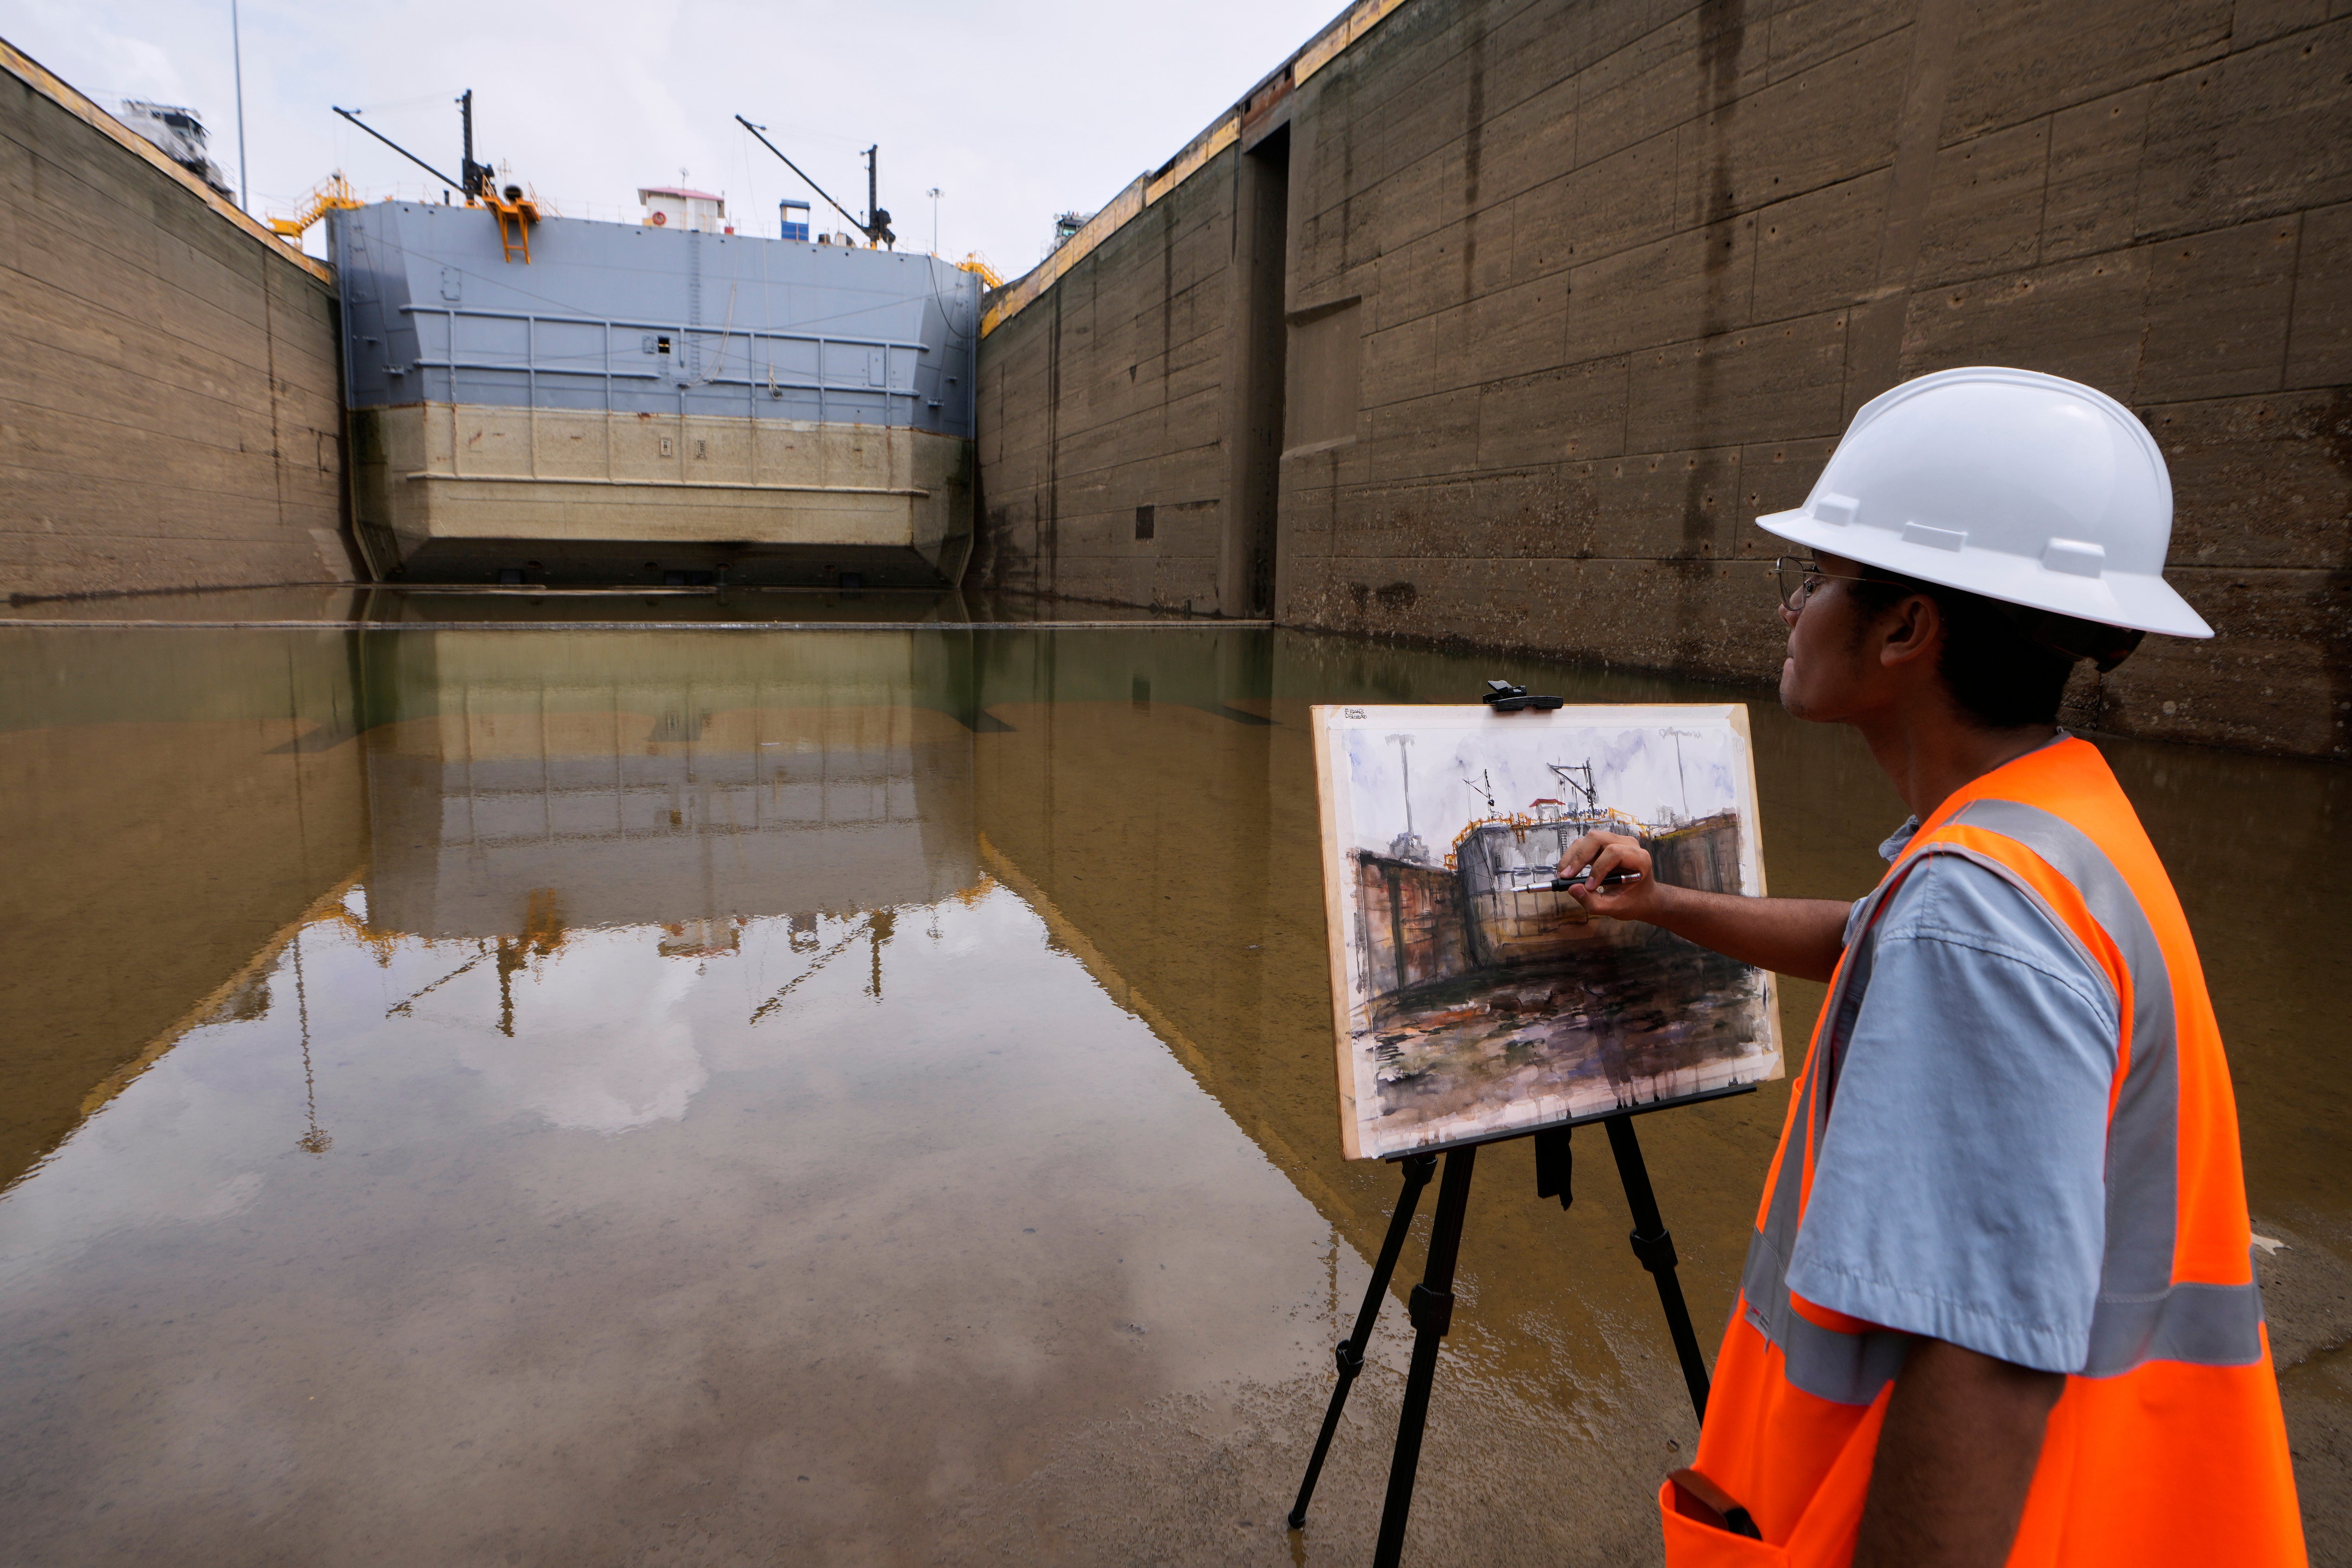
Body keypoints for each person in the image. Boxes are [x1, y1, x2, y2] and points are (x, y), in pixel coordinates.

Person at [1555, 368, 2305, 1567]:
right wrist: (1661, 904)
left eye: (1813, 579)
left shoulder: (1978, 917)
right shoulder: (2044, 823)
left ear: (1906, 628)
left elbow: (1982, 1369)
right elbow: (1868, 937)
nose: (1790, 609)